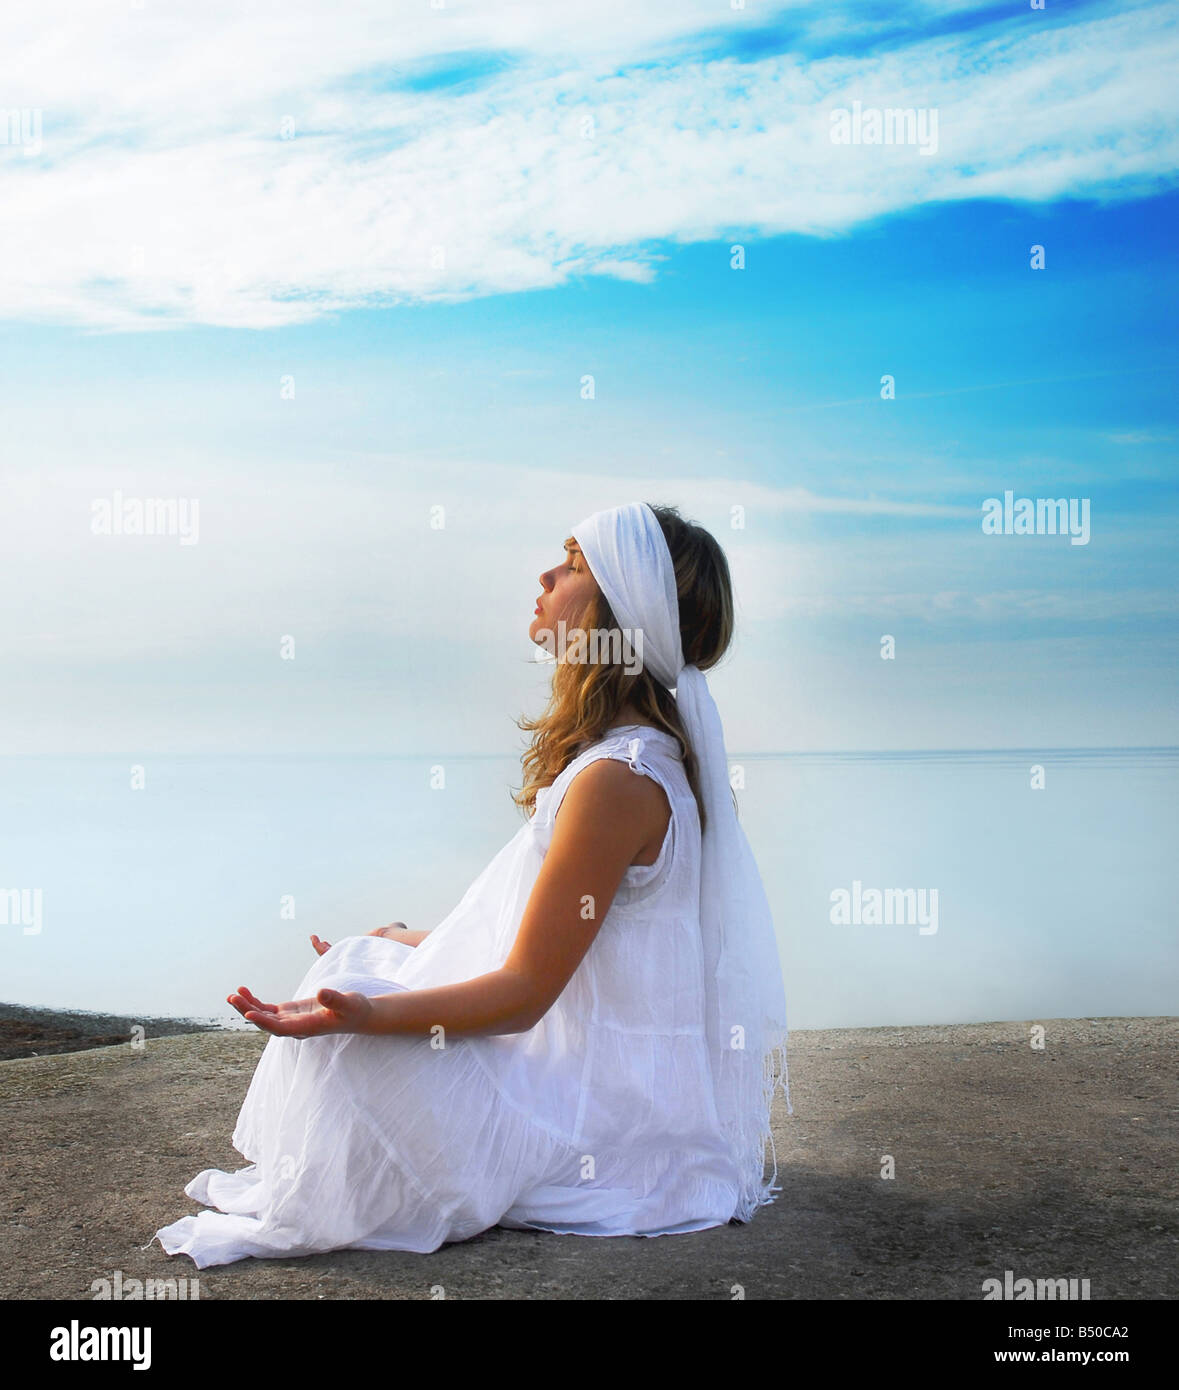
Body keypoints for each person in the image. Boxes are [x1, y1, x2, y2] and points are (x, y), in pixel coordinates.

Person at [154, 501, 792, 1268]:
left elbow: (524, 992)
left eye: (573, 564)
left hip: (597, 1122)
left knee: (351, 1011)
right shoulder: (635, 760)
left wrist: (367, 1017)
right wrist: (402, 942)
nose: (545, 575)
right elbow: (563, 935)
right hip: (602, 1091)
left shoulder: (617, 781)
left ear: (618, 611)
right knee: (366, 960)